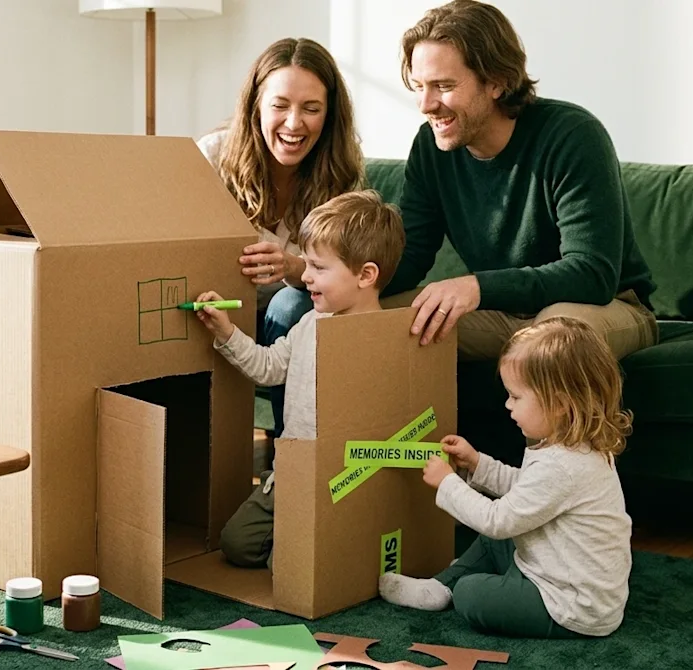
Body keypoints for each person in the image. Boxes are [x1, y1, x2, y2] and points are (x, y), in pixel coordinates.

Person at [381, 0, 659, 361]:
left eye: (443, 85)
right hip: (504, 311)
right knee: (365, 323)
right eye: (418, 86)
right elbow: (412, 253)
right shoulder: (430, 147)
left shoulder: (573, 136)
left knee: (549, 345)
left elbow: (592, 274)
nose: (425, 104)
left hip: (605, 307)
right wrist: (332, 281)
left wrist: (477, 286)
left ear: (496, 81)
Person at [379, 316, 633, 638]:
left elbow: (498, 520)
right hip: (555, 568)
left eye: (515, 396)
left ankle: (458, 586)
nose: (507, 405)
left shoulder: (564, 466)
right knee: (495, 541)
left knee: (473, 592)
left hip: (569, 605)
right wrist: (477, 464)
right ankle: (438, 588)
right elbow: (527, 493)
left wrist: (448, 483)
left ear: (558, 405)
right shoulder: (573, 448)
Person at [192, 190, 404, 568]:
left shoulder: (383, 340)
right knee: (236, 542)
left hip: (344, 484)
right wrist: (226, 333)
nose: (304, 276)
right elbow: (269, 366)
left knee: (293, 566)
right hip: (290, 477)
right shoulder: (309, 323)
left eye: (319, 268)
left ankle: (305, 551)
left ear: (365, 275)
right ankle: (294, 544)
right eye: (306, 264)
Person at [197, 36, 364, 438]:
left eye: (311, 109)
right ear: (256, 105)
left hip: (293, 319)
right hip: (215, 302)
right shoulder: (213, 156)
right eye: (279, 105)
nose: (294, 124)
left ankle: (291, 451)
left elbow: (351, 273)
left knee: (292, 304)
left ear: (329, 114)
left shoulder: (343, 173)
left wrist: (293, 267)